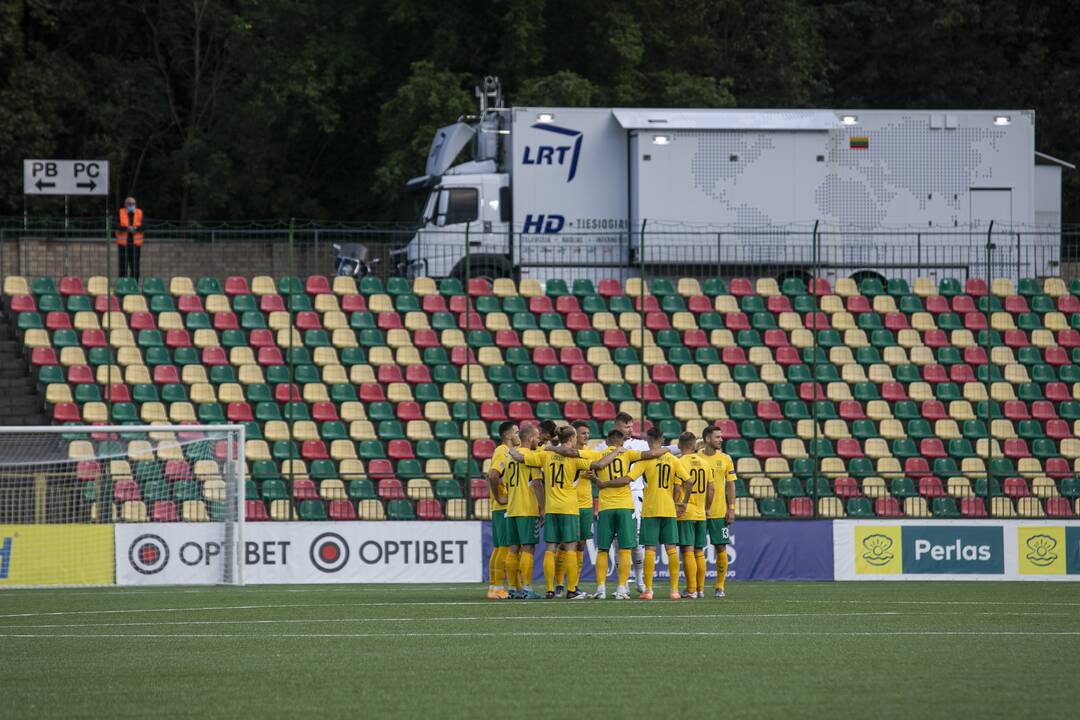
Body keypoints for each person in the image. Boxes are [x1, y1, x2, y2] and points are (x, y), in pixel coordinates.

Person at [511, 426, 621, 599]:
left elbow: (519, 457)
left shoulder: (545, 455)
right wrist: (617, 452)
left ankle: (549, 589)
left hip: (551, 508)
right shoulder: (576, 458)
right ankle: (571, 590)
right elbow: (600, 464)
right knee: (571, 547)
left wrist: (511, 447)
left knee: (550, 547)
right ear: (571, 438)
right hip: (569, 508)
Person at [590, 428, 667, 599]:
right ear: (621, 442)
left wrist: (597, 481)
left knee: (603, 549)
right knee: (626, 549)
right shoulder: (628, 454)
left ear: (608, 440)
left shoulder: (598, 454)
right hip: (625, 506)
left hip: (605, 507)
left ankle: (601, 589)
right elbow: (651, 454)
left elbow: (592, 469)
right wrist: (668, 449)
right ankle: (621, 589)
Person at [618, 426, 686, 600]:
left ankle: (648, 590)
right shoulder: (672, 459)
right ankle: (674, 591)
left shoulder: (644, 461)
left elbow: (628, 479)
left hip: (649, 510)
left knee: (650, 549)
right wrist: (682, 503)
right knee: (671, 549)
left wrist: (605, 483)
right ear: (662, 440)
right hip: (669, 509)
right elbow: (689, 481)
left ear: (648, 440)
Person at [491, 424, 544, 599]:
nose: (539, 440)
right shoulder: (531, 456)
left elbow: (503, 480)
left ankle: (513, 588)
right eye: (537, 437)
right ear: (530, 438)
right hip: (527, 509)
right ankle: (527, 588)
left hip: (511, 510)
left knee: (513, 549)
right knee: (528, 548)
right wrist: (542, 508)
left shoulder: (509, 458)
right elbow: (536, 484)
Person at [611, 411, 649, 592]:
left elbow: (660, 449)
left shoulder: (640, 444)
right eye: (626, 426)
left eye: (631, 426)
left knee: (636, 540)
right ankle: (623, 583)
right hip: (613, 498)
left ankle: (640, 580)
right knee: (617, 542)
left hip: (634, 496)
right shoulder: (605, 446)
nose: (630, 429)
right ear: (617, 426)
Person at [702, 425, 738, 598]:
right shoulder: (695, 457)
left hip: (719, 512)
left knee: (721, 547)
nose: (721, 439)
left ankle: (720, 586)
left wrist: (731, 508)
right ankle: (697, 587)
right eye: (717, 437)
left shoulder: (726, 459)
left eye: (720, 437)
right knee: (695, 549)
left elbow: (731, 485)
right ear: (708, 439)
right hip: (698, 513)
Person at [484, 421, 518, 599]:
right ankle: (497, 588)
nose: (518, 435)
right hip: (503, 507)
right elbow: (492, 475)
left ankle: (493, 587)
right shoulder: (502, 451)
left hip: (500, 507)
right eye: (516, 431)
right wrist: (499, 497)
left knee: (499, 548)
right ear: (508, 434)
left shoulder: (505, 451)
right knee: (503, 547)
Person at [675, 432, 709, 598]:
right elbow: (712, 489)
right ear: (694, 445)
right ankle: (701, 589)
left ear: (680, 445)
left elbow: (676, 486)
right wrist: (707, 508)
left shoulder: (679, 462)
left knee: (687, 551)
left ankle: (691, 590)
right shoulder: (704, 462)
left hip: (685, 512)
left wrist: (676, 505)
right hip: (701, 512)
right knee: (699, 551)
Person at [115, 196, 144, 280]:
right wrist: (126, 229)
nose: (131, 205)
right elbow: (116, 225)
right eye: (130, 204)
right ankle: (123, 285)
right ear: (125, 204)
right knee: (123, 267)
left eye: (133, 204)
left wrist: (134, 229)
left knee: (135, 267)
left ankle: (134, 285)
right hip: (123, 244)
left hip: (135, 245)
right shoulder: (120, 212)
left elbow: (144, 226)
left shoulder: (139, 213)